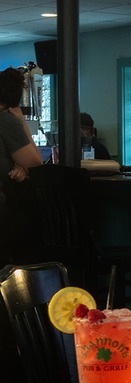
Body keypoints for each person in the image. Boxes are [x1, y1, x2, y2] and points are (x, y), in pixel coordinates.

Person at [0, 67, 42, 264]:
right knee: (35, 228)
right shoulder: (6, 119)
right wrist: (22, 122)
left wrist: (20, 166)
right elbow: (35, 163)